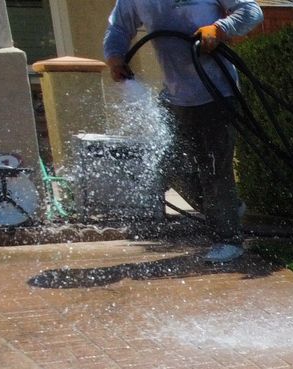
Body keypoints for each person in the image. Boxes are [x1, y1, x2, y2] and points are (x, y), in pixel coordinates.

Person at [102, 1, 263, 263]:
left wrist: (220, 29)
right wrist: (115, 56)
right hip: (174, 97)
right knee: (169, 165)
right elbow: (119, 27)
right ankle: (228, 210)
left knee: (214, 170)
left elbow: (252, 11)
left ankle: (228, 240)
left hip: (217, 92)